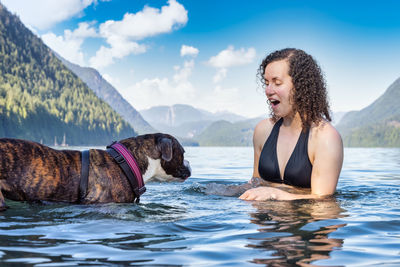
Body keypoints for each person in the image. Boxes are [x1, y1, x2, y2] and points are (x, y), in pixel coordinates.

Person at [239, 48, 343, 201]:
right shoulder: (263, 131)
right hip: (265, 222)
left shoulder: (325, 137)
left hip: (305, 224)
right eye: (267, 83)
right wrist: (215, 191)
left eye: (277, 83)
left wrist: (275, 194)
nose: (268, 90)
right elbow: (256, 184)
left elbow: (325, 206)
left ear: (301, 86)